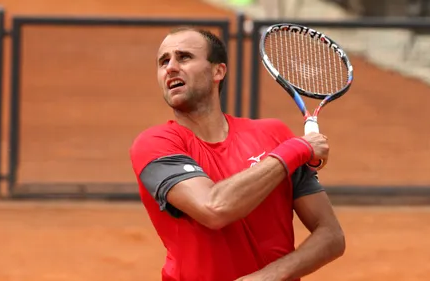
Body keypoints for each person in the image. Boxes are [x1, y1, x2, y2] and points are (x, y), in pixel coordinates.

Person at [129, 26, 345, 281]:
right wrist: (298, 148)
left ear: (218, 71)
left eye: (184, 57)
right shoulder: (156, 144)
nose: (171, 67)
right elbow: (214, 207)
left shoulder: (274, 134)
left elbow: (331, 235)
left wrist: (267, 277)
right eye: (163, 61)